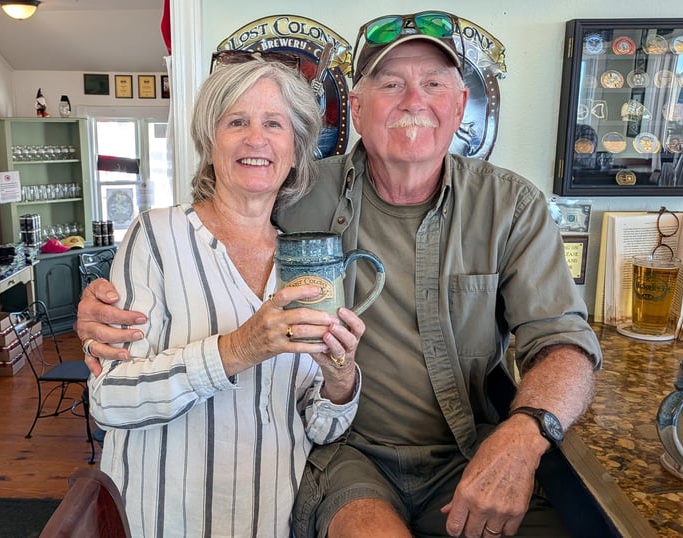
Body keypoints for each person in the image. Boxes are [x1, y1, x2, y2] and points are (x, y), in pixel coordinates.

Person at [78, 11, 602, 538]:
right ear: (356, 105)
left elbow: (565, 343)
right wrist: (98, 304)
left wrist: (522, 437)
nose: (413, 101)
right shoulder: (296, 198)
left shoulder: (510, 206)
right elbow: (215, 225)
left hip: (466, 449)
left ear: (460, 105)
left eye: (434, 84)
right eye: (391, 83)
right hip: (348, 459)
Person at [83, 58, 365, 537]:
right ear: (209, 144)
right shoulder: (156, 235)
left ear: (295, 151)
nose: (256, 139)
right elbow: (109, 400)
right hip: (165, 517)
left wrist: (340, 378)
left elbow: (320, 428)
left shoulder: (304, 265)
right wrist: (236, 349)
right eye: (236, 122)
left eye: (273, 124)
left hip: (271, 520)